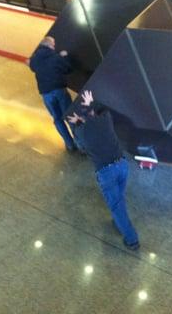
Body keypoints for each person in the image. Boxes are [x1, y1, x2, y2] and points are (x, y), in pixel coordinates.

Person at [67, 90, 140, 250]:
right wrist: (88, 105)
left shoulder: (81, 132)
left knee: (116, 205)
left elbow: (80, 146)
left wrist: (78, 121)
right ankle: (118, 220)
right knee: (119, 200)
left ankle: (132, 239)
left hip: (106, 172)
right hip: (122, 164)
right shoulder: (105, 120)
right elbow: (99, 112)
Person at [28, 36, 79, 152]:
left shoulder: (35, 59)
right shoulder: (56, 57)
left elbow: (32, 67)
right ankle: (80, 144)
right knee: (70, 116)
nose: (54, 46)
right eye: (53, 44)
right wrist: (65, 57)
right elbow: (68, 69)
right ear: (50, 45)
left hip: (46, 93)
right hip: (59, 90)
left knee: (57, 119)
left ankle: (69, 145)